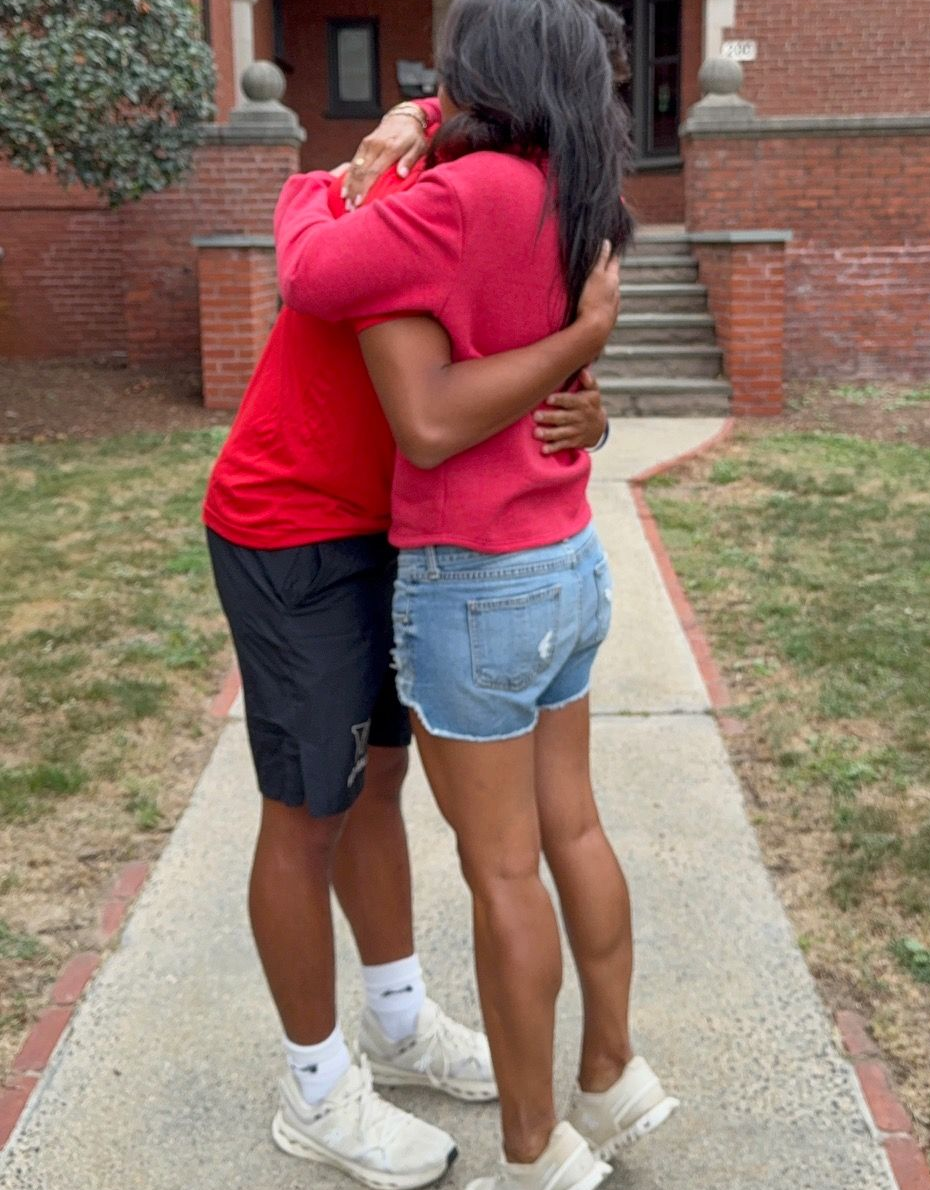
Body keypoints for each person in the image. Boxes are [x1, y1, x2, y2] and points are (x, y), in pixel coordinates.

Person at [275, 0, 678, 1190]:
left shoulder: (459, 200)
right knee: (578, 831)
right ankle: (611, 1073)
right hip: (568, 562)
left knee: (502, 869)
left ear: (486, 75)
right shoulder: (584, 196)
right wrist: (585, 380)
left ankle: (529, 1143)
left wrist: (329, 169)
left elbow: (311, 267)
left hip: (475, 577)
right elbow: (555, 393)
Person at [204, 86, 618, 1186]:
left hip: (401, 532)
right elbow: (311, 231)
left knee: (377, 782)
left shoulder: (505, 190)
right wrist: (383, 138)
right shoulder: (387, 196)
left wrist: (591, 401)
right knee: (306, 812)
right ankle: (316, 1086)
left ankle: (394, 1021)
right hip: (291, 524)